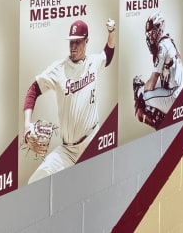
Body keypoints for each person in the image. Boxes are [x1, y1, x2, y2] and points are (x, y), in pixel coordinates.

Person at [22, 18, 116, 183]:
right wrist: (27, 124)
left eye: (78, 42)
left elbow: (107, 54)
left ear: (86, 41)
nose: (73, 46)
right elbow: (33, 90)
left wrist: (111, 33)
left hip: (92, 140)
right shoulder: (59, 69)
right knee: (34, 181)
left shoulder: (93, 62)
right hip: (68, 149)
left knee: (95, 184)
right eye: (71, 42)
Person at [133, 12, 183, 129]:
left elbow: (151, 85)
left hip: (174, 95)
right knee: (144, 91)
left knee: (142, 98)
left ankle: (161, 124)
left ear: (160, 29)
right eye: (149, 33)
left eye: (153, 32)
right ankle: (161, 116)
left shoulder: (162, 46)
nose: (151, 36)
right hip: (177, 90)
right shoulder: (168, 40)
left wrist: (139, 90)